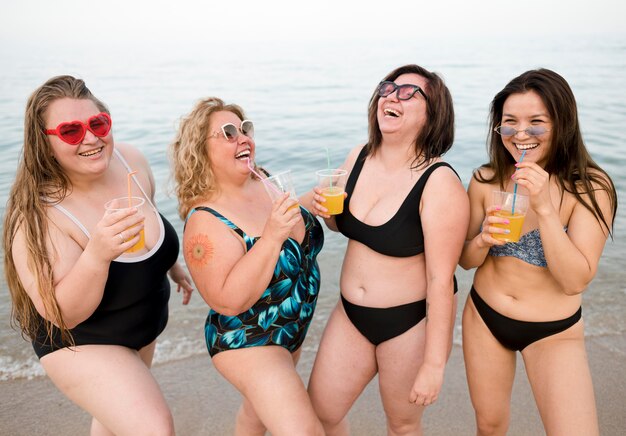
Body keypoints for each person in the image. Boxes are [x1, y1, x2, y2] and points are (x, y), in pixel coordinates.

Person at [3, 75, 193, 435]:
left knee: (112, 424)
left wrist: (173, 265)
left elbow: (150, 221)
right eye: (71, 131)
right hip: (81, 343)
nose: (91, 138)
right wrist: (98, 253)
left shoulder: (130, 161)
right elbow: (64, 314)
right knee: (153, 428)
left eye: (97, 124)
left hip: (142, 326)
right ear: (44, 144)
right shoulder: (37, 216)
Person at [306, 64, 469, 435]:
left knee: (402, 425)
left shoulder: (439, 182)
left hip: (408, 324)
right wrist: (326, 214)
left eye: (410, 92)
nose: (392, 96)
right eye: (388, 88)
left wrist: (434, 364)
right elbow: (341, 224)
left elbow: (441, 281)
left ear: (433, 114)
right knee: (321, 412)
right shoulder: (359, 156)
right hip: (350, 316)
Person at [459, 68, 617, 436]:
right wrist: (482, 240)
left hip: (554, 331)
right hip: (485, 318)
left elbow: (575, 280)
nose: (521, 134)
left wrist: (544, 206)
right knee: (490, 426)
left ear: (562, 124)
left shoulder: (592, 187)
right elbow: (465, 261)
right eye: (509, 123)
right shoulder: (485, 180)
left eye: (536, 122)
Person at [170, 97, 325, 435]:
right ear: (200, 150)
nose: (242, 138)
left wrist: (315, 199)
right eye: (227, 133)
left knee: (255, 417)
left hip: (291, 327)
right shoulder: (205, 222)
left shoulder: (265, 179)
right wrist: (270, 239)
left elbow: (290, 220)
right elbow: (226, 300)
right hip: (250, 339)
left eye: (244, 129)